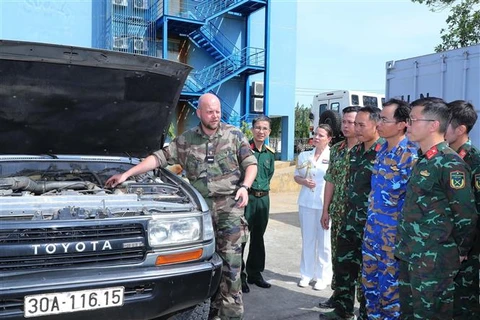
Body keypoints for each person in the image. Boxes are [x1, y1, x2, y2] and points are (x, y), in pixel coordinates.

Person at [105, 93, 258, 320]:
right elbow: (159, 158)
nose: (215, 115)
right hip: (199, 215)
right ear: (199, 113)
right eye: (210, 111)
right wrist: (126, 174)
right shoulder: (186, 140)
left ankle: (231, 317)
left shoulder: (234, 135)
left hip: (229, 211)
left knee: (230, 272)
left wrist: (245, 186)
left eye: (217, 111)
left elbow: (251, 164)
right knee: (203, 270)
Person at [395, 97, 478, 320]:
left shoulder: (450, 163)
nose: (407, 125)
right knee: (408, 314)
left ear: (433, 125)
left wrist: (458, 253)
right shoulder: (423, 160)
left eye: (413, 120)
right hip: (410, 255)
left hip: (434, 261)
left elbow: (467, 217)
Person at [319, 106, 383, 320]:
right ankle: (342, 308)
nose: (353, 128)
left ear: (376, 125)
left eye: (358, 124)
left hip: (371, 225)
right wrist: (326, 209)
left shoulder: (384, 152)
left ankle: (364, 313)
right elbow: (334, 182)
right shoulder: (352, 152)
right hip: (346, 218)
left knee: (367, 273)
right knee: (344, 265)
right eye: (349, 123)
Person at [361, 99, 417, 320]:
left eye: (385, 119)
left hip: (393, 241)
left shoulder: (411, 156)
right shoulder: (382, 150)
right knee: (370, 288)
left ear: (402, 124)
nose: (379, 124)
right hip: (372, 235)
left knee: (391, 294)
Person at [319, 106, 359, 308]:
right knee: (338, 258)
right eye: (344, 121)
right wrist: (325, 209)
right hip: (339, 214)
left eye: (351, 122)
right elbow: (330, 181)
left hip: (360, 218)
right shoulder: (337, 150)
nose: (346, 125)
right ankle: (340, 296)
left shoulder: (368, 151)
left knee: (359, 263)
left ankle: (361, 303)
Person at [445, 100, 480, 319]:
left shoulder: (473, 160)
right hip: (447, 242)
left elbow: (474, 208)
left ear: (460, 129)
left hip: (467, 246)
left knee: (464, 300)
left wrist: (463, 248)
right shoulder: (445, 156)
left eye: (445, 123)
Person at [294, 124, 333, 290]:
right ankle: (306, 274)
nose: (317, 137)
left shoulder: (333, 156)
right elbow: (296, 176)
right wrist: (303, 181)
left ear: (329, 139)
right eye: (316, 134)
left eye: (321, 135)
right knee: (308, 239)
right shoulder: (304, 155)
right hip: (306, 202)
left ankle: (323, 277)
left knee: (324, 242)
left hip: (324, 203)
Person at [241, 115, 275, 293]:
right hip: (248, 198)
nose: (261, 131)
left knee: (258, 237)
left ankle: (255, 273)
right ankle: (240, 276)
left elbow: (269, 175)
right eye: (258, 128)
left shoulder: (269, 154)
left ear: (269, 132)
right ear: (253, 129)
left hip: (263, 199)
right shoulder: (244, 150)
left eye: (265, 129)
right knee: (241, 238)